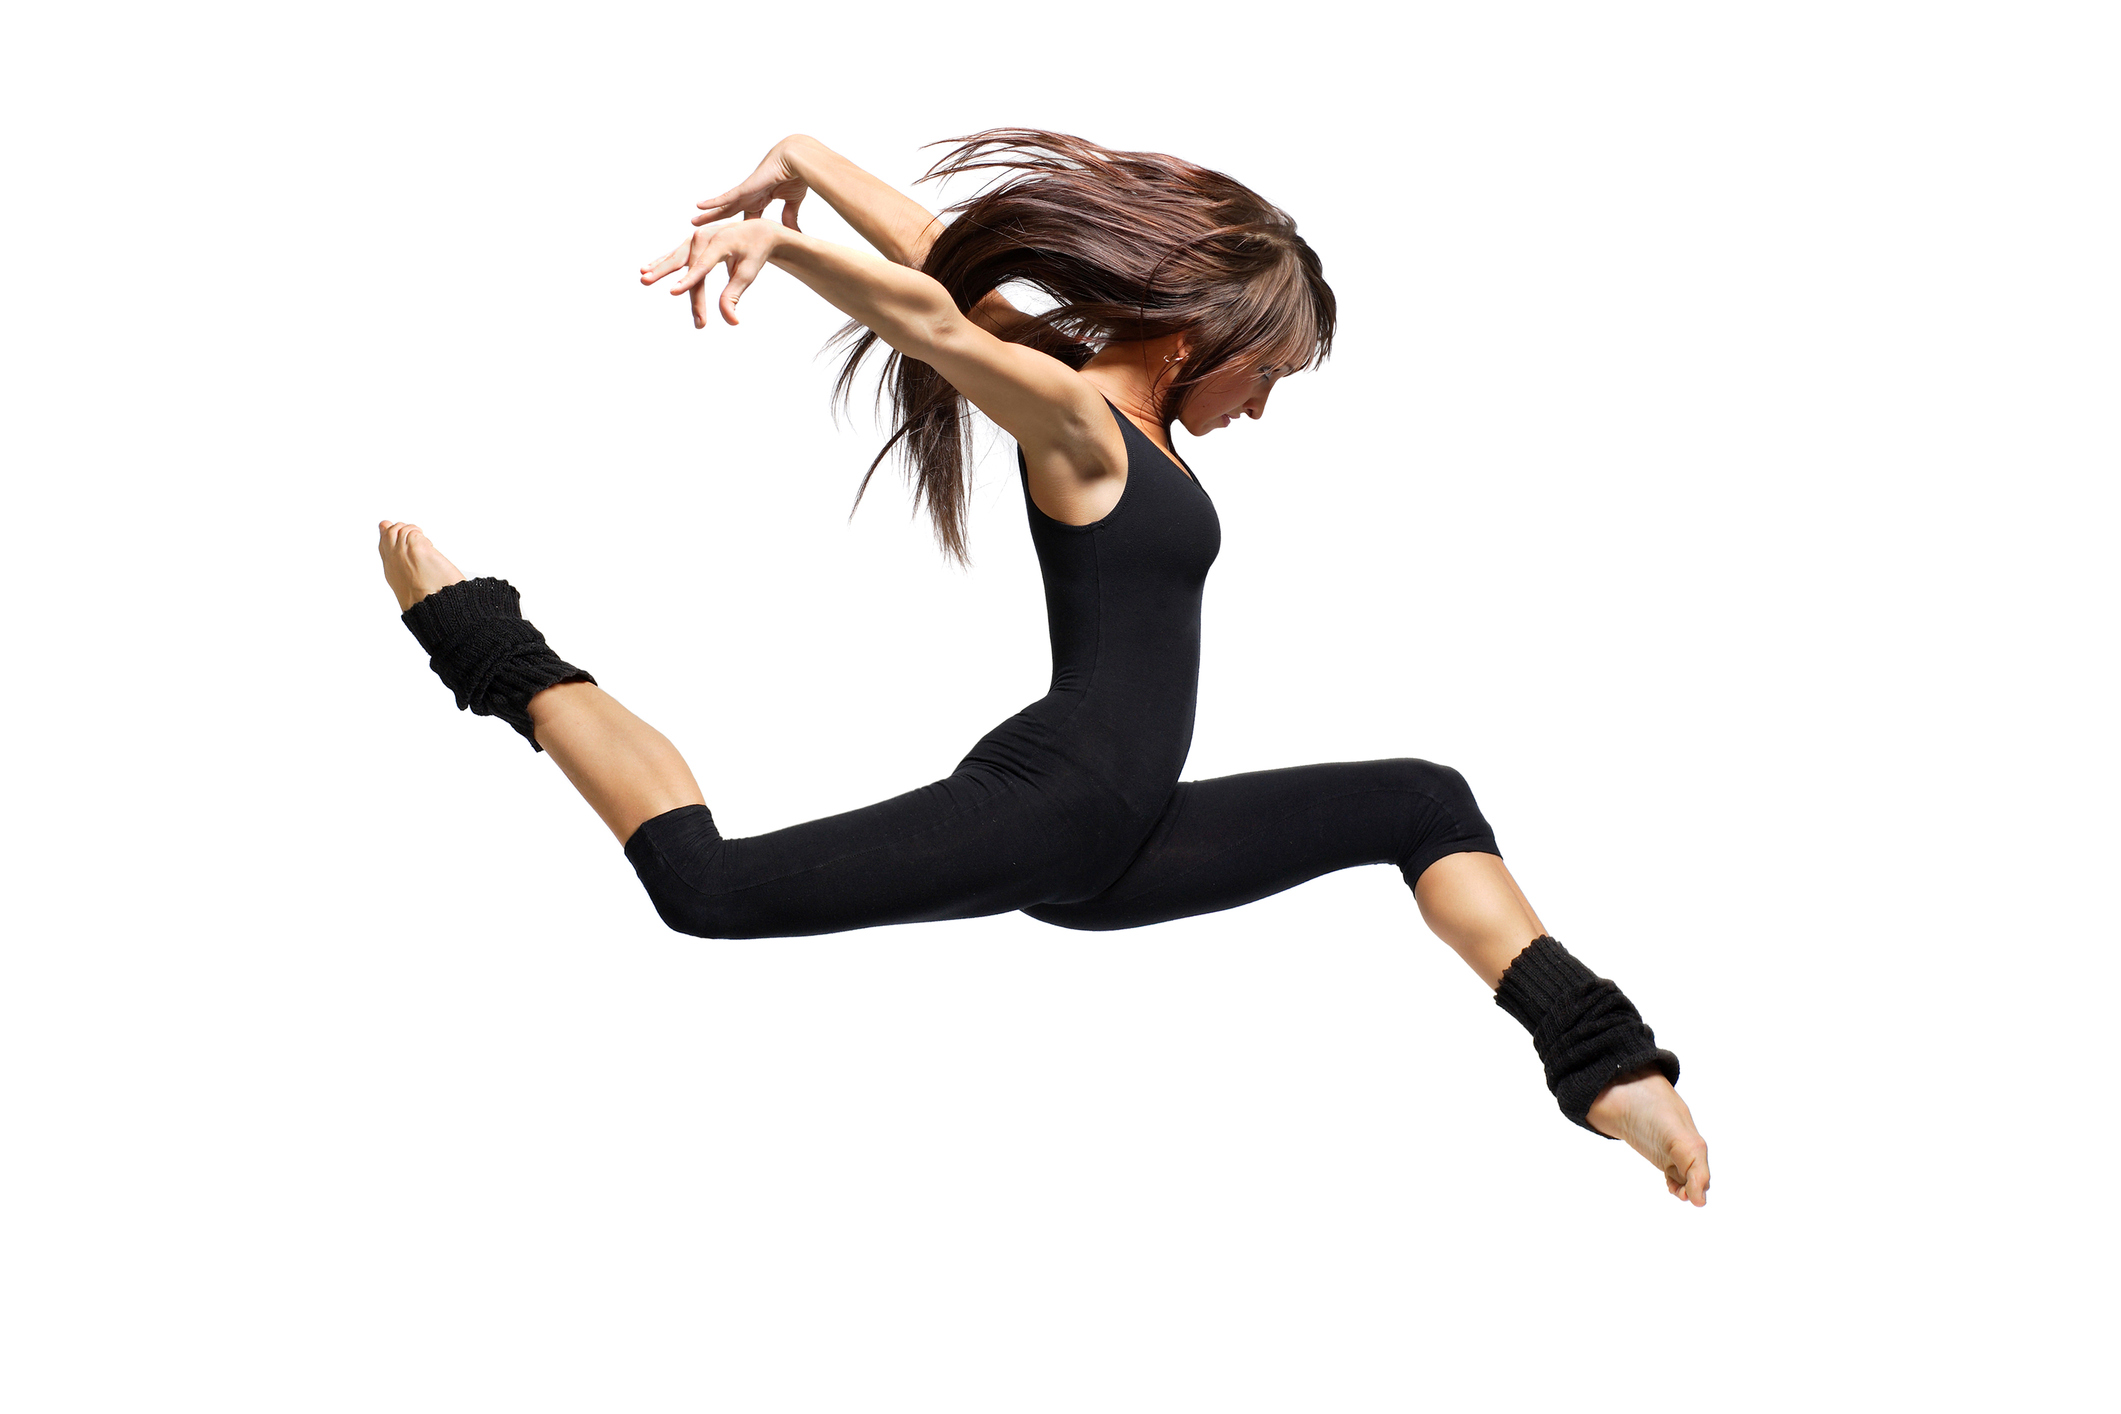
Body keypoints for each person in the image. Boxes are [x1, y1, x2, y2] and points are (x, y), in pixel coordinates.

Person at [378, 131, 1711, 1204]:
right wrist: (782, 251)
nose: (1261, 409)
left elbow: (931, 261)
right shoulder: (1076, 417)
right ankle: (491, 643)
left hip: (1125, 837)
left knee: (1417, 798)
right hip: (1061, 800)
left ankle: (1600, 1064)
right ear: (1203, 337)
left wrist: (804, 156)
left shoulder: (1089, 390)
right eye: (1269, 376)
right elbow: (931, 321)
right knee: (705, 887)